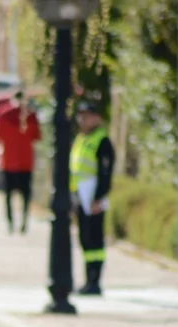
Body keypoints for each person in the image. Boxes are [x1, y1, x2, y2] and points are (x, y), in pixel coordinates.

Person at [70, 100, 115, 295]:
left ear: (97, 118)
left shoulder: (102, 140)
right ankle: (88, 281)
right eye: (80, 115)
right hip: (81, 196)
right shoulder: (81, 138)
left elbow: (106, 172)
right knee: (84, 238)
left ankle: (95, 281)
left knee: (95, 239)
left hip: (94, 197)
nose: (82, 119)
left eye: (86, 115)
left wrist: (98, 197)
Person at [0, 91, 41, 234]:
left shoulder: (22, 116)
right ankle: (18, 223)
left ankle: (15, 223)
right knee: (22, 194)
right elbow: (37, 136)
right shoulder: (27, 116)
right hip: (21, 161)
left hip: (13, 161)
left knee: (12, 195)